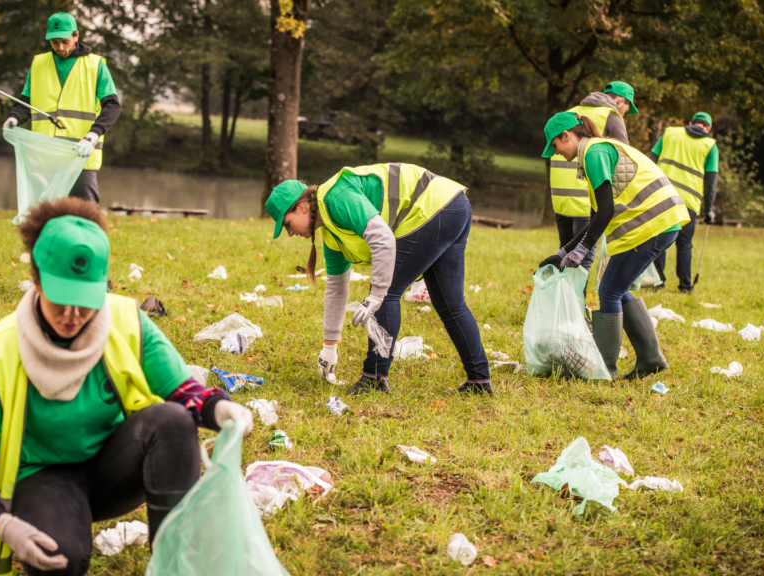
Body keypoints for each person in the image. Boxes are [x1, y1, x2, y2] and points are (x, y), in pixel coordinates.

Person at [0, 198, 253, 576]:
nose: (74, 315)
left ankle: (173, 564)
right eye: (62, 300)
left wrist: (219, 408)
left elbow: (184, 393)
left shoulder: (126, 321)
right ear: (37, 280)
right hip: (42, 478)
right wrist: (3, 522)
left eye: (86, 302)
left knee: (172, 421)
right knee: (59, 559)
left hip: (114, 466)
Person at [264, 165, 492, 396]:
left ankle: (374, 379)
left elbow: (383, 239)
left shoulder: (336, 197)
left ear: (302, 207)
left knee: (387, 292)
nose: (290, 233)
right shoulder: (331, 234)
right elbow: (335, 288)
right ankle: (479, 381)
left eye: (287, 224)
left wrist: (377, 294)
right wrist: (329, 346)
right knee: (450, 303)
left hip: (435, 207)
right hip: (452, 205)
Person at [539, 112, 690, 379]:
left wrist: (581, 250)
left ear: (567, 136)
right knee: (615, 289)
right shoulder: (596, 152)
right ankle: (650, 359)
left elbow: (605, 210)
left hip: (653, 225)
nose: (556, 153)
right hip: (660, 222)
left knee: (608, 290)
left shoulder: (594, 154)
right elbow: (596, 217)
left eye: (555, 146)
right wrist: (564, 252)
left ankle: (605, 368)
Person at [2, 13, 121, 205]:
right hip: (45, 155)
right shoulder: (38, 64)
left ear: (76, 35)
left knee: (85, 212)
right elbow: (26, 100)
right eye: (55, 42)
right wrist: (14, 117)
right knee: (44, 213)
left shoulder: (95, 65)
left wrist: (94, 134)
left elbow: (113, 106)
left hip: (81, 154)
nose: (60, 48)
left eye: (65, 41)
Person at [548, 81, 638, 271]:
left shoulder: (570, 112)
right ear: (621, 101)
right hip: (588, 199)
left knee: (564, 255)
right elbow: (624, 160)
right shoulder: (611, 117)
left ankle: (568, 300)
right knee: (582, 258)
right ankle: (577, 301)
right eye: (627, 110)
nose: (625, 116)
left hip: (560, 197)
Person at [649, 112, 719, 293]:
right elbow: (711, 183)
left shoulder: (670, 133)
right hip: (688, 201)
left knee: (659, 240)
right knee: (684, 244)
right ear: (709, 128)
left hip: (662, 195)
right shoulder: (710, 146)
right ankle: (685, 286)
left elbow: (650, 162)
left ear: (690, 123)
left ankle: (657, 282)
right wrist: (709, 209)